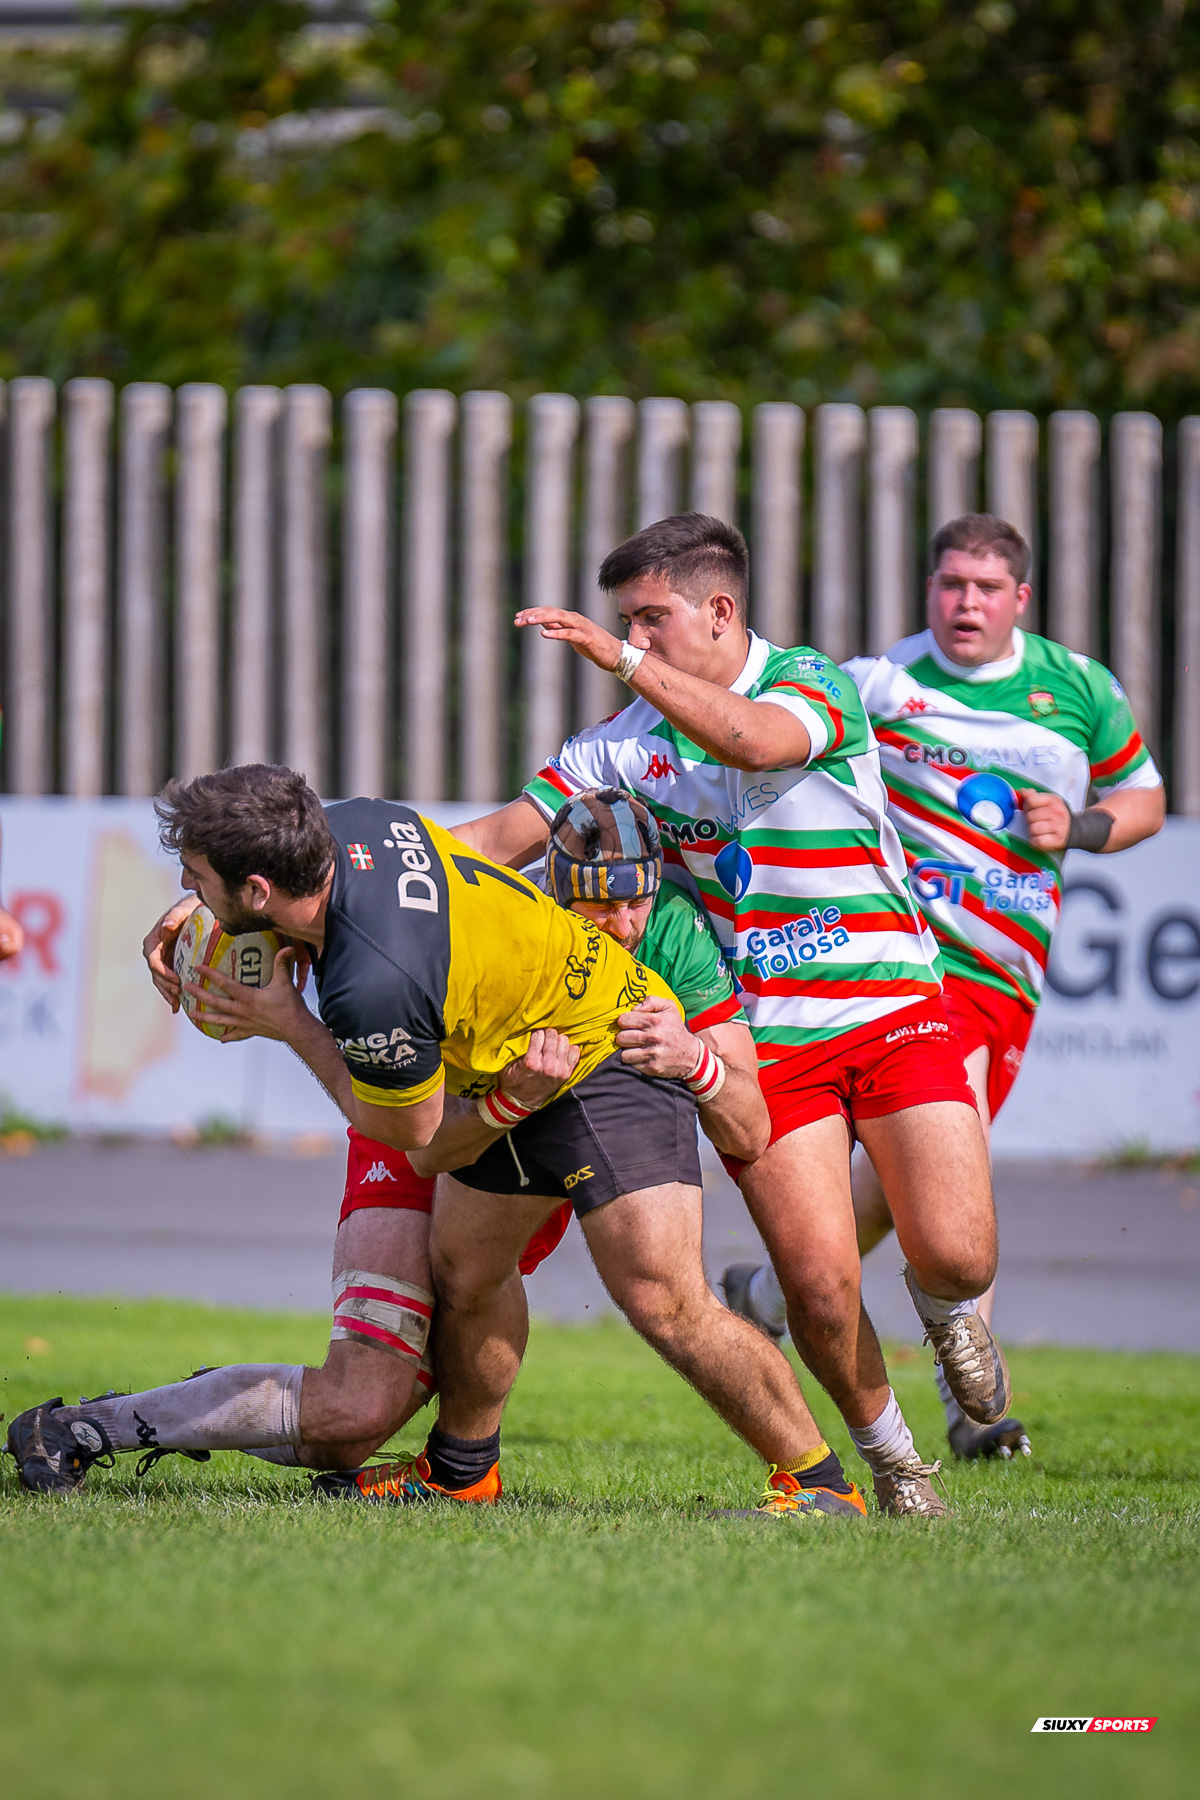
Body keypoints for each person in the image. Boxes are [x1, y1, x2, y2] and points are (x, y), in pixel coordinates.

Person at [6, 766, 852, 1522]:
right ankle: (460, 1472)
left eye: (196, 877)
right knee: (467, 1275)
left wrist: (291, 1025)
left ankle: (819, 1484)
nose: (184, 887)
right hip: (503, 1066)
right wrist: (200, 901)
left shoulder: (372, 985)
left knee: (663, 1298)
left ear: (259, 889)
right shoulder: (363, 821)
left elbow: (420, 1146)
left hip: (599, 1054)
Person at [451, 511, 1011, 1518]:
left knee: (960, 1250)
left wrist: (618, 656)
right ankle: (895, 1464)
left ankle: (946, 1306)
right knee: (821, 1288)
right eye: (629, 622)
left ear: (721, 610)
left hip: (894, 1007)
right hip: (768, 1037)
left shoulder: (812, 683)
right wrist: (325, 878)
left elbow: (747, 737)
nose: (637, 639)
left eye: (653, 619)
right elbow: (497, 838)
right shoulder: (622, 745)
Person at [722, 512, 1167, 1459]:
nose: (966, 603)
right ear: (932, 591)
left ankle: (765, 1295)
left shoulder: (1079, 688)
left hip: (1012, 968)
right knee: (943, 1143)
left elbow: (1146, 801)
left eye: (986, 588)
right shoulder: (885, 683)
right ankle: (972, 1407)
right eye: (951, 585)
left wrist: (1080, 829)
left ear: (1021, 600)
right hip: (912, 962)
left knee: (898, 1188)